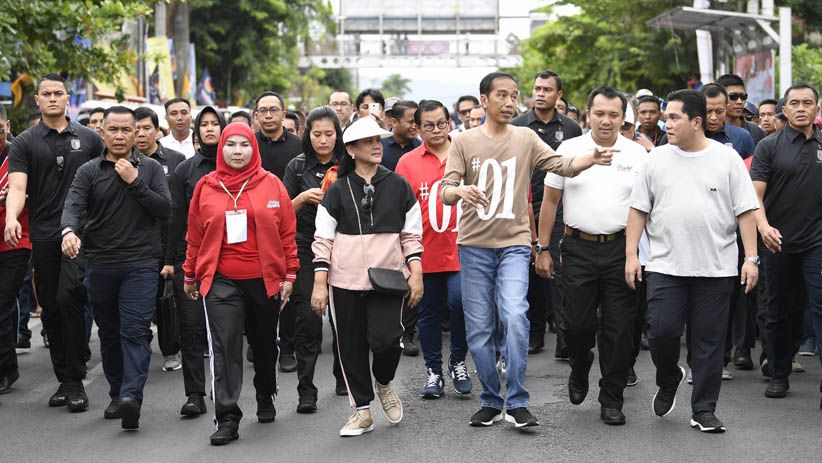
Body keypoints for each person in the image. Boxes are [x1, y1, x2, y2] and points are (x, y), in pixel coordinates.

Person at [440, 72, 614, 428]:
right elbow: (446, 188)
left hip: (515, 246)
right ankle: (490, 398)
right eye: (501, 95)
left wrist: (590, 159)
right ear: (484, 100)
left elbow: (561, 165)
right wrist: (459, 192)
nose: (509, 101)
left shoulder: (525, 137)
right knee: (478, 329)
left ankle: (517, 400)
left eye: (514, 95)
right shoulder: (463, 141)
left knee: (516, 317)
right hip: (473, 247)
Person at [625, 89, 759, 433]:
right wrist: (630, 255)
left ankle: (703, 410)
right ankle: (668, 375)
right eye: (666, 117)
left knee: (709, 343)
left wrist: (751, 258)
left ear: (696, 122)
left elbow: (746, 211)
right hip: (665, 266)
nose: (666, 123)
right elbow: (638, 209)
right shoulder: (655, 159)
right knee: (663, 332)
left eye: (674, 117)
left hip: (716, 268)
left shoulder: (726, 158)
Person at [536, 86, 647, 426]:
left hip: (621, 249)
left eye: (614, 115)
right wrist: (542, 248)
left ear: (623, 118)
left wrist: (636, 255)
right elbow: (550, 202)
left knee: (619, 329)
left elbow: (644, 209)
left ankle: (611, 398)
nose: (606, 121)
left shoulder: (638, 154)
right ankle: (580, 364)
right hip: (578, 249)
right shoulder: (569, 149)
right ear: (588, 115)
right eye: (600, 114)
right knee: (577, 325)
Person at [183, 122, 298, 446]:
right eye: (230, 144)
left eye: (243, 145)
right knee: (225, 348)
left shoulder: (272, 185)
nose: (237, 151)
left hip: (264, 280)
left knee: (263, 345)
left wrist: (290, 275)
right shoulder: (206, 187)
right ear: (221, 149)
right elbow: (194, 236)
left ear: (253, 148)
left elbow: (288, 235)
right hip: (221, 281)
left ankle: (265, 393)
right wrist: (190, 274)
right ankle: (228, 417)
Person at [311, 117, 423, 437]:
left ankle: (384, 382)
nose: (377, 146)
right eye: (368, 141)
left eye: (378, 140)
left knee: (389, 340)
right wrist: (320, 283)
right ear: (351, 149)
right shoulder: (336, 189)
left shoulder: (398, 184)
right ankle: (362, 411)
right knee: (350, 346)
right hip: (344, 280)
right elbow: (323, 239)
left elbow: (412, 235)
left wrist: (416, 274)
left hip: (388, 278)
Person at [61, 106, 172, 430]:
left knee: (134, 331)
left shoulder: (149, 169)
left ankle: (131, 398)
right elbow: (73, 206)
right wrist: (68, 232)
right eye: (115, 130)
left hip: (140, 265)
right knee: (109, 333)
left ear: (137, 133)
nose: (121, 135)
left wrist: (135, 182)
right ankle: (116, 393)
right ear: (103, 133)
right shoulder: (88, 171)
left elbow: (164, 210)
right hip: (100, 265)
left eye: (128, 130)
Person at [5, 73, 103, 413]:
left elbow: (103, 184)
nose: (52, 98)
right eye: (45, 93)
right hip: (44, 236)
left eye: (58, 93)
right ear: (37, 99)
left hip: (81, 235)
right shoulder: (25, 142)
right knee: (50, 304)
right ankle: (64, 377)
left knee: (70, 297)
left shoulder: (90, 139)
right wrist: (11, 217)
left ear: (67, 97)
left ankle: (76, 380)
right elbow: (17, 187)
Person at [396, 100, 473, 399]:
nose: (437, 130)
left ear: (450, 123)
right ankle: (434, 371)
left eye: (441, 123)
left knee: (461, 304)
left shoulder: (466, 153)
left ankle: (457, 362)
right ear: (417, 128)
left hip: (464, 248)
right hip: (424, 252)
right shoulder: (408, 162)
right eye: (428, 125)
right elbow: (401, 209)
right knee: (427, 313)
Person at [750, 84, 822, 408]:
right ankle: (779, 373)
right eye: (795, 103)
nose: (802, 108)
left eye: (808, 103)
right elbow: (755, 197)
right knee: (779, 311)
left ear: (817, 109)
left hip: (816, 243)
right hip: (777, 242)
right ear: (785, 109)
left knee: (818, 308)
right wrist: (763, 227)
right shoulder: (769, 146)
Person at [511, 70, 582, 358]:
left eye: (547, 89)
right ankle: (535, 333)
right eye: (537, 88)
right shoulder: (517, 126)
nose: (541, 93)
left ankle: (564, 338)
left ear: (559, 95)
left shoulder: (571, 128)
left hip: (560, 207)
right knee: (530, 275)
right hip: (524, 205)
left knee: (560, 272)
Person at [164, 106, 226, 417]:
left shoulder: (239, 167)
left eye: (216, 123)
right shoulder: (185, 171)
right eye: (205, 124)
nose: (210, 129)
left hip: (230, 262)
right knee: (190, 329)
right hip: (191, 260)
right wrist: (170, 261)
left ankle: (227, 390)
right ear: (197, 130)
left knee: (224, 331)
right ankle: (195, 394)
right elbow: (175, 219)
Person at [281, 106, 345, 412]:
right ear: (308, 134)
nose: (323, 140)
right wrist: (303, 198)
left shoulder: (348, 163)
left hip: (344, 246)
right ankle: (306, 389)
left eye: (329, 134)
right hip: (306, 246)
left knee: (344, 318)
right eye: (317, 134)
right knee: (308, 318)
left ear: (338, 134)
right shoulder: (296, 166)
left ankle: (344, 376)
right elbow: (281, 215)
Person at [135, 107, 186, 372]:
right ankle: (139, 347)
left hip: (168, 242)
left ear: (157, 131)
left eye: (146, 128)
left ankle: (171, 349)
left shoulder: (176, 160)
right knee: (140, 301)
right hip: (135, 243)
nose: (141, 133)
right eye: (137, 128)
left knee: (167, 301)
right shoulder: (121, 161)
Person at [254, 91, 302, 372]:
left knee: (287, 290)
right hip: (254, 229)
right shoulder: (248, 146)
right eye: (263, 111)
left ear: (284, 114)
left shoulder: (297, 147)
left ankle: (287, 347)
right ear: (256, 116)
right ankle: (261, 341)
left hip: (288, 226)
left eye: (274, 110)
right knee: (258, 289)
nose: (269, 115)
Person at [0, 106, 31, 396]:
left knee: (3, 303)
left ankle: (5, 369)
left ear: (7, 126)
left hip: (15, 241)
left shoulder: (18, 153)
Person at [715, 74, 767, 144]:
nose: (739, 101)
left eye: (743, 96)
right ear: (720, 97)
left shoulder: (756, 132)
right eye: (733, 96)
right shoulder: (709, 131)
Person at [380, 100, 420, 173]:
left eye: (417, 122)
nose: (415, 126)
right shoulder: (379, 147)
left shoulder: (422, 148)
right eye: (411, 122)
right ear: (394, 122)